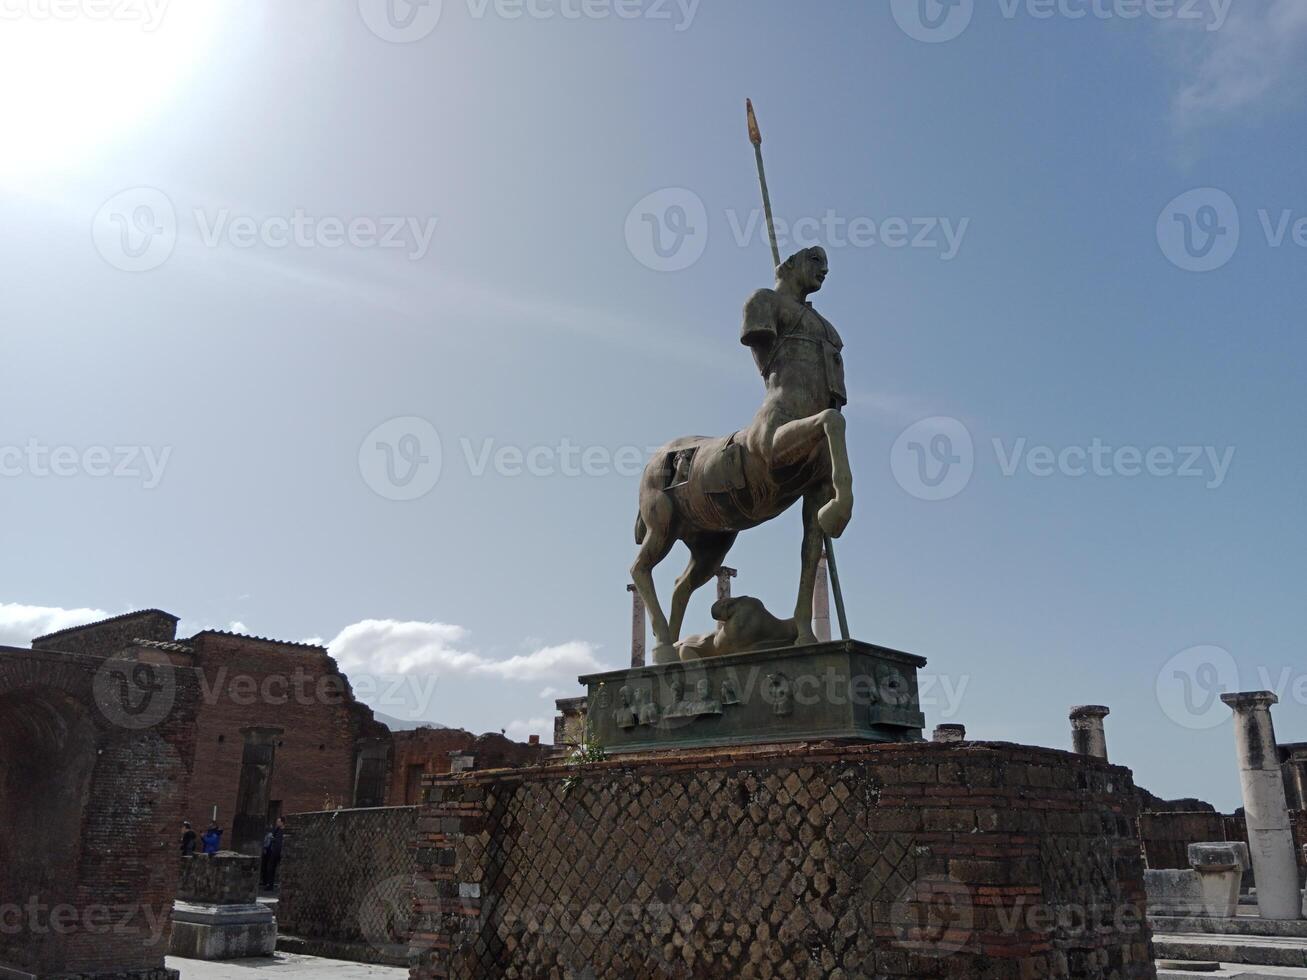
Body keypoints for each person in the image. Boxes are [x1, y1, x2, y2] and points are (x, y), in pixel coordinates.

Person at [261, 817, 285, 890]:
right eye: (277, 821)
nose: (277, 823)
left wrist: (274, 840)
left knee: (279, 869)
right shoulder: (276, 830)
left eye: (278, 821)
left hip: (279, 852)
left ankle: (277, 885)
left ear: (282, 822)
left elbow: (279, 842)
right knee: (270, 868)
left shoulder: (283, 831)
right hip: (273, 852)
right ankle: (269, 884)